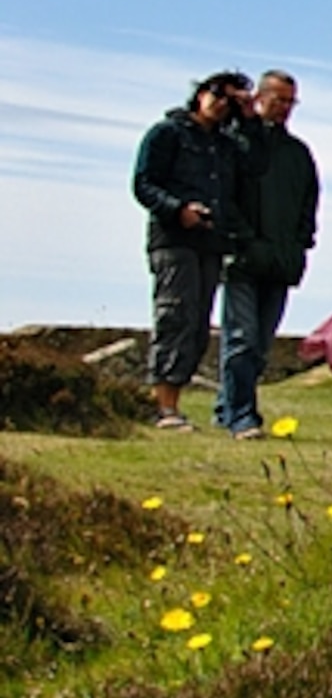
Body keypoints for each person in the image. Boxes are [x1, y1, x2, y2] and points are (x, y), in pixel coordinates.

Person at [130, 73, 250, 431]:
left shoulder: (228, 145)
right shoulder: (167, 133)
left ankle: (172, 406)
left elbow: (254, 165)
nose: (221, 103)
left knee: (198, 326)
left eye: (231, 100)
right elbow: (143, 183)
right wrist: (178, 209)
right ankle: (163, 407)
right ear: (200, 94)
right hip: (172, 239)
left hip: (210, 243)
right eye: (217, 94)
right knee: (175, 317)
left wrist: (248, 116)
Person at [215, 70, 320, 440]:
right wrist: (242, 240)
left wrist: (300, 245)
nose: (284, 108)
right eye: (278, 99)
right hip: (242, 258)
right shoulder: (236, 143)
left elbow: (309, 206)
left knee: (259, 346)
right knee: (241, 338)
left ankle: (226, 406)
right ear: (259, 97)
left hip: (281, 261)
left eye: (290, 102)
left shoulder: (299, 154)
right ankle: (242, 416)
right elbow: (225, 197)